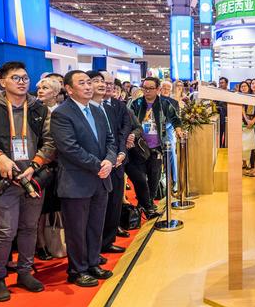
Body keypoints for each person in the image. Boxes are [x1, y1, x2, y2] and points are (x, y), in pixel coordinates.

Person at [0, 62, 56, 301]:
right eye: (16, 78)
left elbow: (50, 142)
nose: (22, 82)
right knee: (6, 231)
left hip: (33, 178)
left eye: (25, 77)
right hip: (4, 179)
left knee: (29, 228)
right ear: (3, 81)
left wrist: (35, 164)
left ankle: (25, 272)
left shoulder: (39, 108)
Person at [51, 70, 116, 287]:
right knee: (76, 229)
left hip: (101, 179)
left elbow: (110, 139)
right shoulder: (62, 113)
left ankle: (93, 262)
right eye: (82, 83)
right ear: (69, 89)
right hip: (76, 181)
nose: (89, 86)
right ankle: (77, 270)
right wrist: (98, 165)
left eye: (89, 82)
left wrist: (109, 159)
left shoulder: (96, 111)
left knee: (95, 225)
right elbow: (69, 148)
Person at [91, 71, 132, 253]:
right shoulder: (90, 108)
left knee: (115, 202)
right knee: (98, 208)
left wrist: (120, 152)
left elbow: (121, 132)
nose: (105, 86)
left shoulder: (114, 107)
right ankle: (95, 247)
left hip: (116, 161)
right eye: (100, 82)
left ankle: (107, 241)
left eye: (108, 83)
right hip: (96, 165)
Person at [127, 77, 182, 211]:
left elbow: (175, 118)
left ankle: (149, 202)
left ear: (157, 89)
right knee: (140, 179)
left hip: (157, 147)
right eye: (144, 88)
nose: (147, 91)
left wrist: (178, 130)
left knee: (154, 178)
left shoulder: (164, 104)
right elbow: (126, 120)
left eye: (150, 88)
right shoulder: (136, 103)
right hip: (138, 147)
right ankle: (144, 204)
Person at [34, 77, 62, 260]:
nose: (40, 91)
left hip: (59, 166)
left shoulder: (62, 112)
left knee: (53, 206)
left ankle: (54, 242)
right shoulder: (34, 111)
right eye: (39, 88)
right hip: (39, 165)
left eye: (45, 88)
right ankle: (40, 243)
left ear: (56, 92)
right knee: (39, 209)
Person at [240, 81, 255, 175]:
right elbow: (243, 108)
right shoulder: (248, 96)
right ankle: (252, 167)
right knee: (251, 146)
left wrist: (252, 121)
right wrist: (247, 120)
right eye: (252, 84)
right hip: (248, 122)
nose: (254, 85)